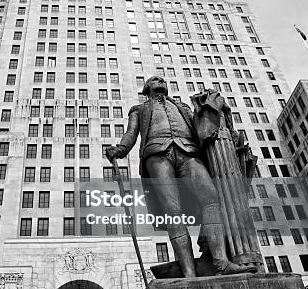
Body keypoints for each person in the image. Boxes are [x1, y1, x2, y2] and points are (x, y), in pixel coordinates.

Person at [106, 76, 257, 277]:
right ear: (146, 88)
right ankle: (188, 273)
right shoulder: (139, 109)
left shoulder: (182, 106)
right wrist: (120, 149)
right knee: (172, 211)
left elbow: (199, 127)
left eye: (162, 79)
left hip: (188, 152)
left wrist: (210, 107)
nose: (160, 80)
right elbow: (131, 134)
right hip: (156, 154)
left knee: (211, 198)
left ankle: (221, 262)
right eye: (154, 79)